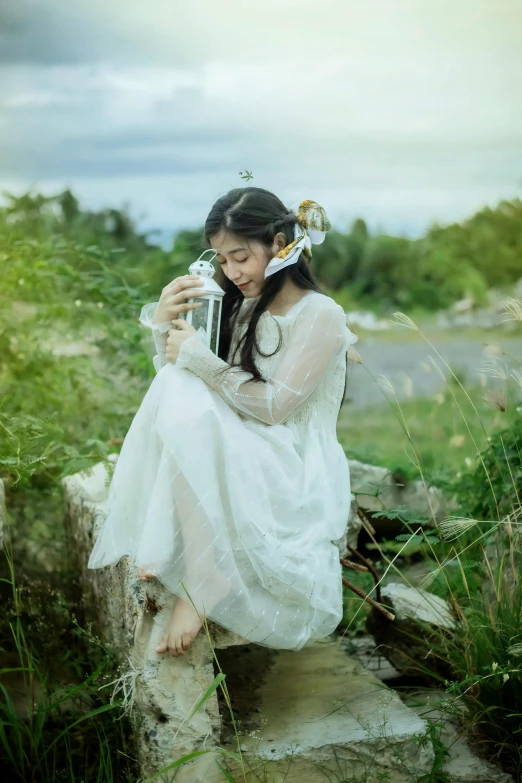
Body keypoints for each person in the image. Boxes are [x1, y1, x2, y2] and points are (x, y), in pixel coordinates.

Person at [88, 187, 359, 658]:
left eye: (240, 257)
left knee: (187, 386)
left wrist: (197, 360)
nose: (231, 273)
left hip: (291, 463)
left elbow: (275, 408)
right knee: (179, 388)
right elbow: (186, 389)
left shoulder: (321, 314)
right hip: (248, 446)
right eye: (221, 260)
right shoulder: (240, 304)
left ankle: (204, 573)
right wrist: (165, 327)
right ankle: (203, 566)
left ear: (280, 244)